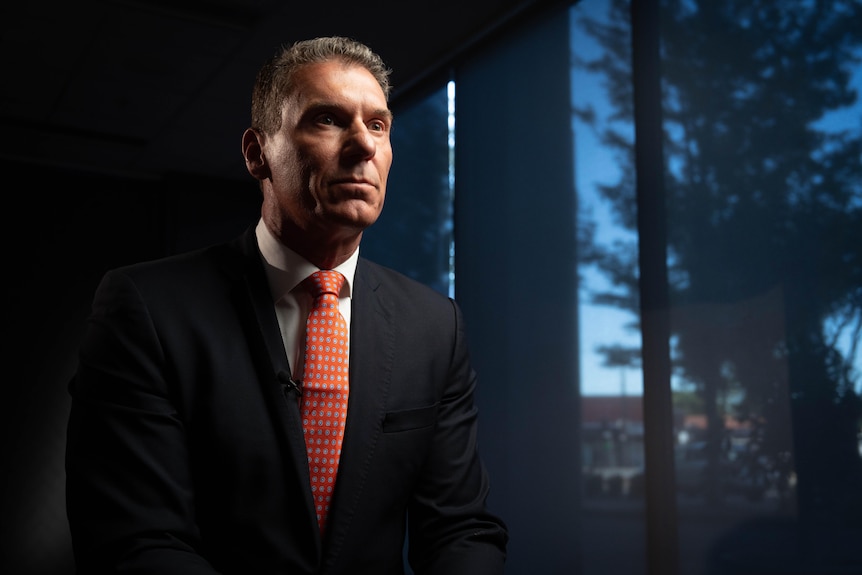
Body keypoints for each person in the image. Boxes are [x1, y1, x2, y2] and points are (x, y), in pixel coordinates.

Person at [64, 36, 508, 574]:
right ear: (257, 154)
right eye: (327, 119)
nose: (364, 146)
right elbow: (134, 538)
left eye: (378, 124)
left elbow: (461, 528)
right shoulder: (147, 308)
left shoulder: (435, 326)